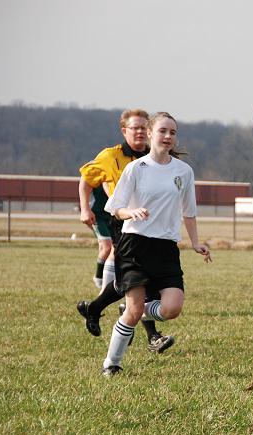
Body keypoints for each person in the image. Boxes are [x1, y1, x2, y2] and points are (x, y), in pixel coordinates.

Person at [100, 112, 211, 375]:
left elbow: (189, 212)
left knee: (172, 308)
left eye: (173, 132)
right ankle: (111, 364)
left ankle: (133, 311)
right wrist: (132, 212)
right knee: (135, 309)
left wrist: (195, 243)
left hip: (165, 249)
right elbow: (115, 208)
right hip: (134, 244)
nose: (168, 136)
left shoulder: (183, 171)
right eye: (163, 131)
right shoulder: (136, 168)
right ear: (150, 134)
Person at [76, 109, 175, 354]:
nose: (140, 132)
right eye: (135, 128)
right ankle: (152, 336)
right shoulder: (111, 156)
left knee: (133, 280)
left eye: (144, 127)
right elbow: (87, 180)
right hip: (124, 223)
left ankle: (96, 308)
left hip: (152, 225)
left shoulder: (157, 156)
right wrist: (84, 209)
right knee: (140, 277)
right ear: (124, 131)